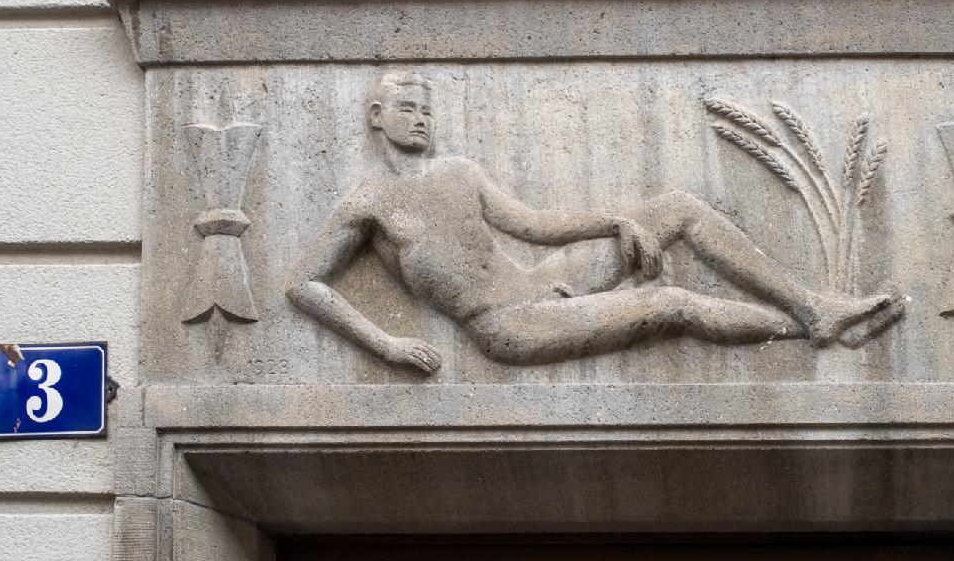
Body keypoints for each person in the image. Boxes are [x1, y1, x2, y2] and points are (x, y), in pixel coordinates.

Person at [287, 72, 901, 374]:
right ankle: (803, 331)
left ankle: (813, 306)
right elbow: (304, 285)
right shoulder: (367, 203)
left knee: (675, 209)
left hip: (541, 279)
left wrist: (613, 221)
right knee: (670, 304)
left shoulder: (458, 171)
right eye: (405, 108)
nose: (419, 118)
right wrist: (388, 346)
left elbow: (530, 224)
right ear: (375, 115)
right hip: (507, 326)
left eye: (425, 108)